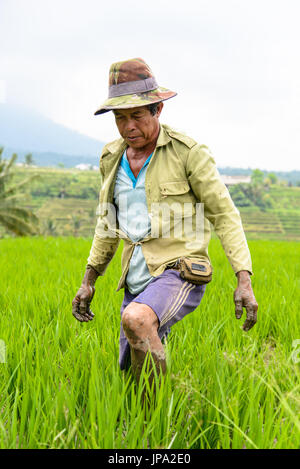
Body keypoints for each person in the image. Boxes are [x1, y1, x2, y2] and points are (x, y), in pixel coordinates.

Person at [72, 58, 258, 382]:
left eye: (137, 116)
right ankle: (151, 428)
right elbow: (107, 224)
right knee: (131, 372)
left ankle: (156, 420)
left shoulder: (188, 153)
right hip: (135, 277)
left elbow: (224, 215)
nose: (128, 126)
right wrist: (89, 280)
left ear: (158, 109)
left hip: (179, 270)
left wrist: (244, 278)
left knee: (137, 319)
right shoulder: (111, 158)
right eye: (120, 118)